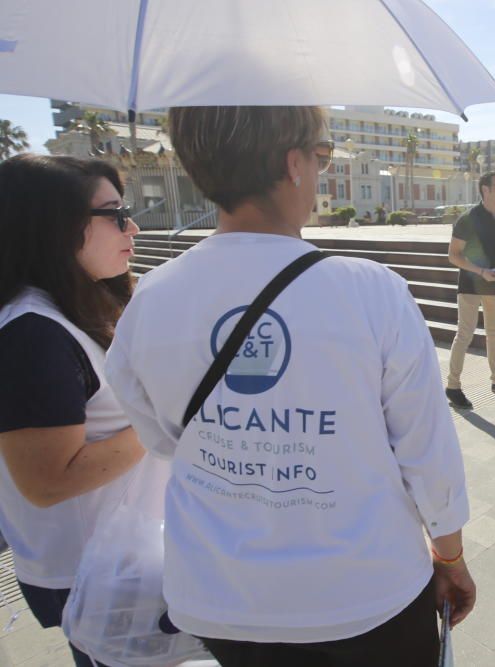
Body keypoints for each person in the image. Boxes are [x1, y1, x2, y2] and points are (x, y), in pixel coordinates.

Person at [105, 106, 474, 666]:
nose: (322, 172)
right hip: (367, 593)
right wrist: (449, 558)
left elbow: (161, 438)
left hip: (221, 595)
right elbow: (427, 453)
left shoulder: (151, 298)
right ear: (292, 163)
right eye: (322, 157)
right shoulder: (371, 292)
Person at [0, 154, 145, 667]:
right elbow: (46, 481)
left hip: (116, 560)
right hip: (87, 575)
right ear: (55, 226)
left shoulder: (75, 308)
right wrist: (164, 416)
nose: (131, 226)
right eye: (113, 213)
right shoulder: (32, 334)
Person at [444, 171, 495, 409]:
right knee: (464, 335)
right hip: (470, 286)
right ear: (485, 189)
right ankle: (453, 386)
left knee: (494, 334)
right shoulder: (468, 219)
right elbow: (453, 256)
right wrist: (480, 272)